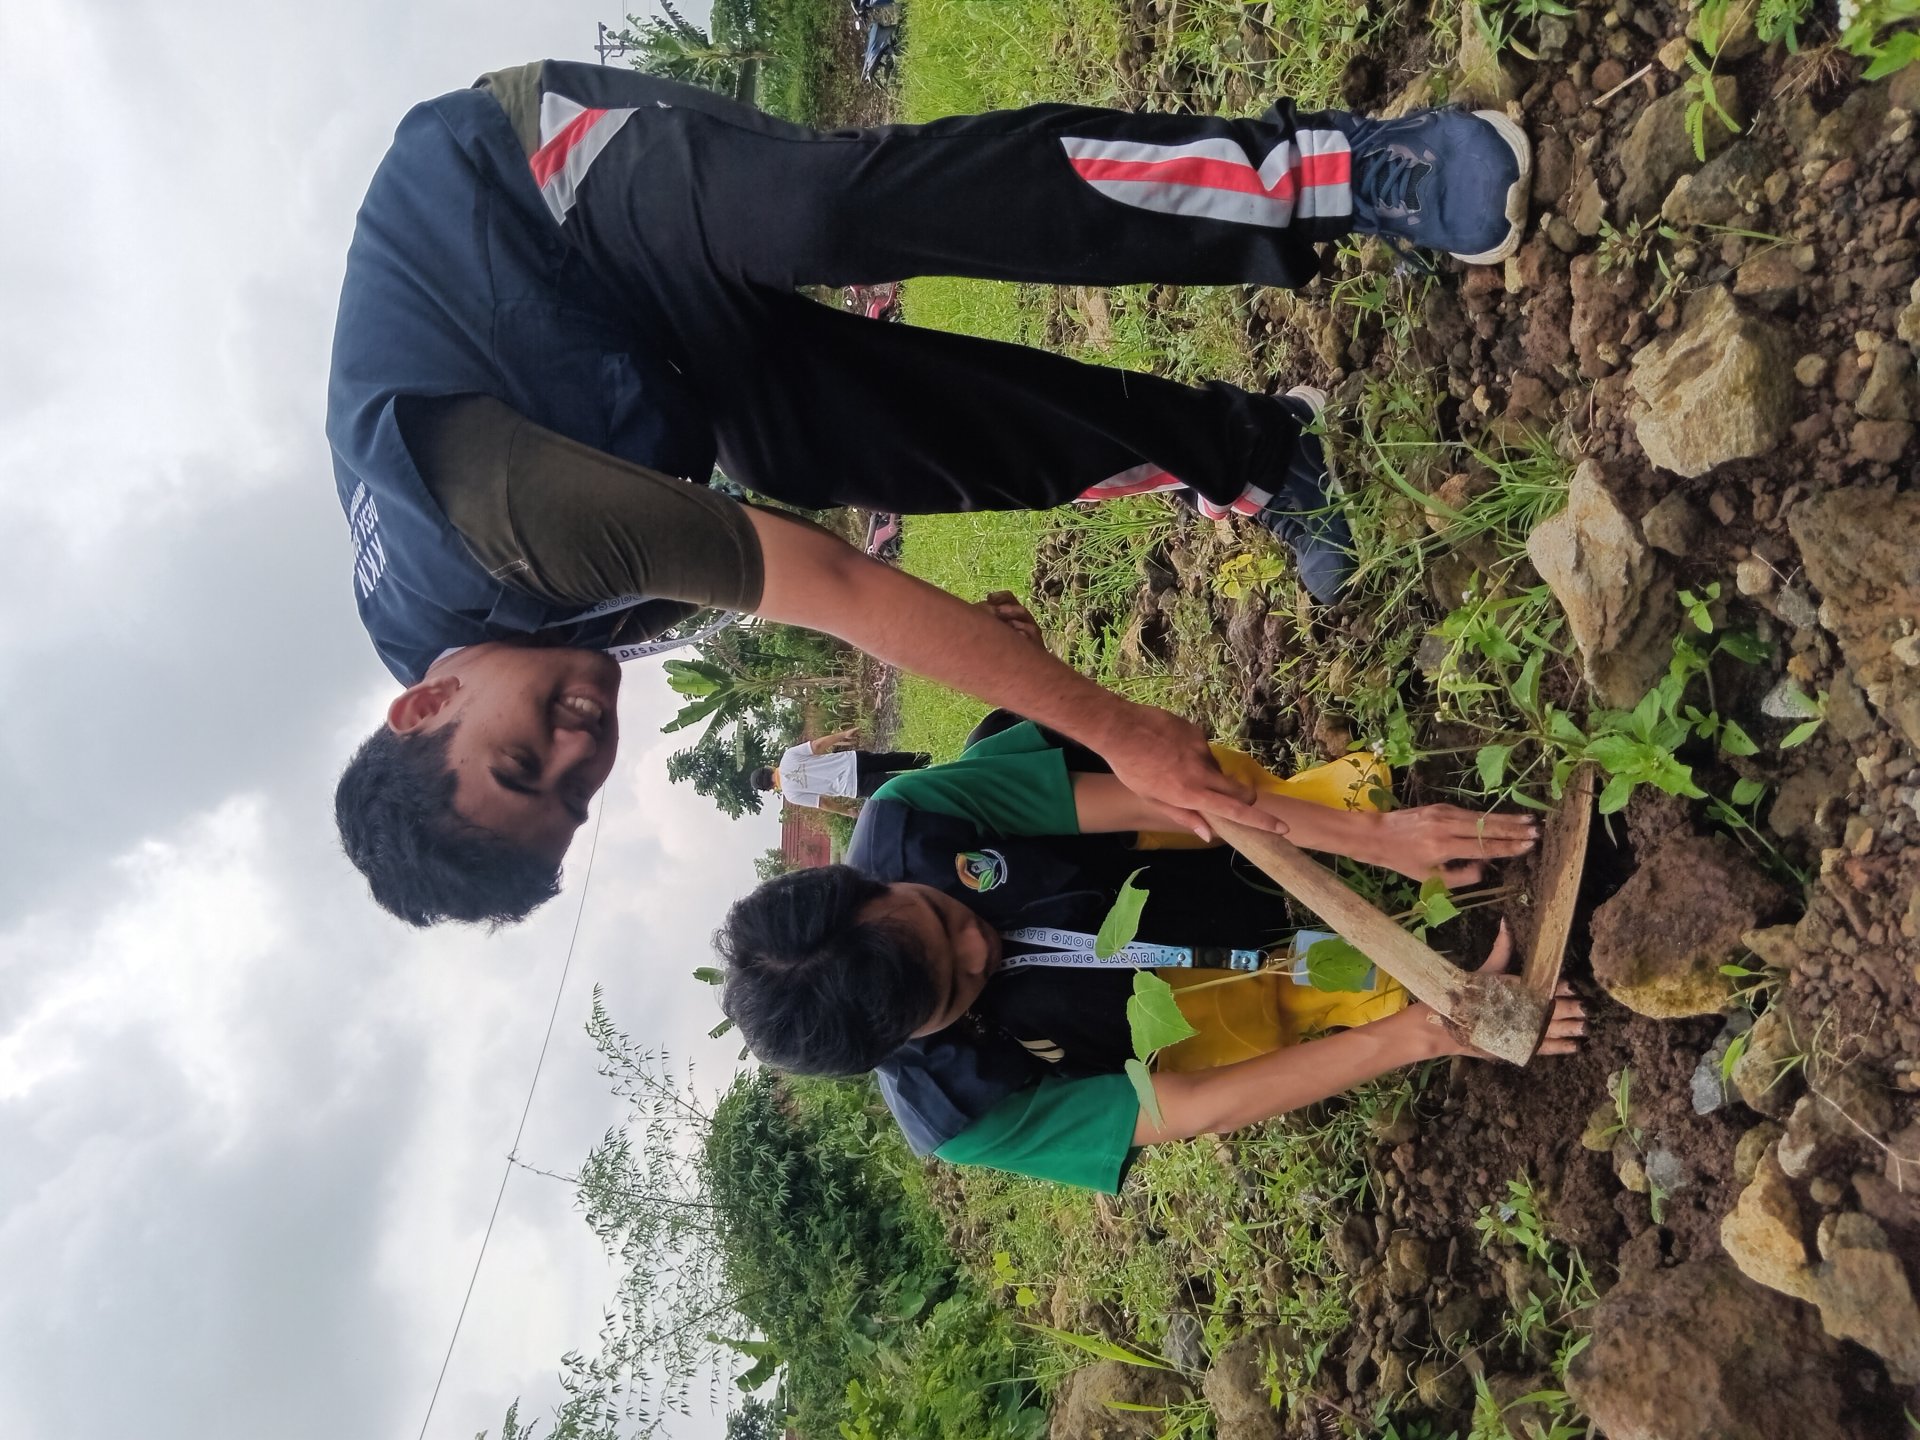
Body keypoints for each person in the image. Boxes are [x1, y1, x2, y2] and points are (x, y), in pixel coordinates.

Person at [329, 57, 1534, 926]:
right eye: (576, 799)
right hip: (623, 369)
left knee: (819, 211)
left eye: (523, 762)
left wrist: (1120, 730)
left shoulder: (488, 525)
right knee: (836, 444)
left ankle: (1337, 172)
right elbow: (795, 555)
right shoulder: (508, 642)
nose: (579, 748)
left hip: (532, 198)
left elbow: (837, 585)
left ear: (423, 711)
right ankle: (1262, 456)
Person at [715, 712, 1585, 1192]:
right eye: (953, 987)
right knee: (1354, 992)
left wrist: (1368, 837)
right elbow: (1188, 1106)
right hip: (1187, 1008)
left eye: (942, 917)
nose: (976, 945)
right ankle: (1318, 980)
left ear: (871, 882)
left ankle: (1313, 811)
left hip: (1166, 844)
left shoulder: (910, 819)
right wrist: (1421, 1036)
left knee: (1278, 799)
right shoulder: (957, 1114)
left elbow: (1170, 803)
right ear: (898, 1044)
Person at [751, 727, 932, 815]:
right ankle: (928, 760)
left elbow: (823, 803)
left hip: (853, 786)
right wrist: (843, 735)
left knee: (897, 786)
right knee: (892, 760)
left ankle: (932, 783)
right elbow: (818, 745)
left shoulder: (792, 795)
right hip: (854, 761)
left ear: (770, 788)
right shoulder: (789, 757)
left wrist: (848, 812)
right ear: (768, 767)